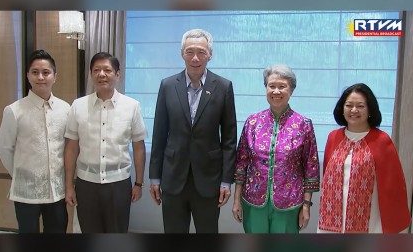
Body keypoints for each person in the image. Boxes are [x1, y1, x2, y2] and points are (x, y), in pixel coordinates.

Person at [148, 28, 237, 233]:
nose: (195, 58)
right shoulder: (168, 85)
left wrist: (226, 180)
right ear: (182, 54)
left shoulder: (223, 87)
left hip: (209, 179)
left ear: (210, 54)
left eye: (201, 52)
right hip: (173, 177)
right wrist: (154, 177)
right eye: (189, 52)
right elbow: (159, 134)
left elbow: (229, 139)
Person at [231, 64, 320, 233]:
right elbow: (241, 163)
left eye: (282, 86)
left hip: (289, 203)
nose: (276, 91)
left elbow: (311, 167)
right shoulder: (252, 122)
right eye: (272, 86)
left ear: (291, 90)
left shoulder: (303, 124)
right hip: (253, 201)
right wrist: (236, 199)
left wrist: (307, 206)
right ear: (266, 88)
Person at [64, 52, 146, 233]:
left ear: (117, 75)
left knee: (116, 233)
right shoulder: (77, 106)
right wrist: (69, 186)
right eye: (96, 70)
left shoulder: (132, 106)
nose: (101, 74)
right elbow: (71, 147)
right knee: (89, 232)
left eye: (107, 70)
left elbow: (138, 147)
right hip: (86, 183)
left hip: (119, 183)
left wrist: (138, 183)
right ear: (91, 74)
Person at [317, 83, 411, 233]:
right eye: (349, 105)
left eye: (360, 106)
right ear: (342, 109)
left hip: (369, 217)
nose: (354, 110)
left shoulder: (381, 140)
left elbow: (393, 185)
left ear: (369, 110)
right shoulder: (333, 137)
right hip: (332, 217)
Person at [0, 49, 70, 233]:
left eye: (46, 72)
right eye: (35, 72)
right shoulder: (14, 110)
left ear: (55, 76)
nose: (41, 77)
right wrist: (20, 173)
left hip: (56, 192)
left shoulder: (65, 109)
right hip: (26, 193)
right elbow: (4, 148)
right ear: (28, 76)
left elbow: (68, 147)